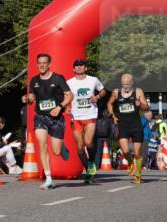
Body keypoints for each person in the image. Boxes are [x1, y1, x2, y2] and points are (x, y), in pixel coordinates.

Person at [23, 53, 72, 190]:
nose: (42, 65)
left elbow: (69, 95)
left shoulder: (58, 78)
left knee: (56, 151)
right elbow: (32, 99)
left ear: (49, 64)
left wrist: (59, 107)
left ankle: (62, 148)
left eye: (44, 62)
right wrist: (27, 99)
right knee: (42, 144)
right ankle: (49, 178)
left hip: (56, 118)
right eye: (39, 63)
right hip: (41, 117)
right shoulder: (34, 80)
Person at [67, 58, 106, 184]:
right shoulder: (69, 82)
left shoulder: (93, 80)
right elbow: (65, 97)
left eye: (81, 65)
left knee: (88, 142)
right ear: (73, 69)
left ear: (85, 68)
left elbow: (103, 90)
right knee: (79, 148)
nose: (79, 67)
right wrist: (66, 108)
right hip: (76, 117)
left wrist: (97, 97)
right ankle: (88, 167)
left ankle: (90, 164)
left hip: (90, 115)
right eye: (76, 66)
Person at [108, 73, 149, 184]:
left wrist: (140, 104)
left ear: (132, 83)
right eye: (123, 84)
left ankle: (138, 175)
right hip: (123, 125)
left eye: (127, 84)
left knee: (137, 152)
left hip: (136, 125)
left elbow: (147, 107)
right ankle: (131, 162)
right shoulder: (116, 92)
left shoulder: (138, 91)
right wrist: (113, 115)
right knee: (125, 151)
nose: (125, 86)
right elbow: (109, 103)